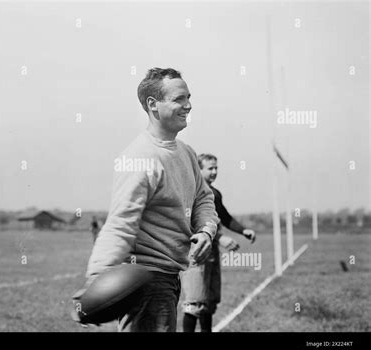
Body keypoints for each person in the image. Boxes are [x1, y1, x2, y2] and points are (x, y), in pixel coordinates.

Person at [73, 68, 219, 332]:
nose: (188, 105)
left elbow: (203, 199)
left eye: (188, 97)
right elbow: (120, 224)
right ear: (153, 104)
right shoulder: (140, 158)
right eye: (179, 99)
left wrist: (206, 231)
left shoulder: (186, 153)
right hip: (146, 283)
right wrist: (97, 279)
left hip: (170, 279)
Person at [182, 154, 256, 332]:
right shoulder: (192, 192)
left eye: (216, 168)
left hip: (212, 252)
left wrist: (242, 230)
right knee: (195, 302)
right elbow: (192, 223)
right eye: (210, 168)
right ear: (198, 170)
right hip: (196, 252)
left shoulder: (214, 193)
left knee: (209, 301)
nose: (214, 171)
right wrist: (219, 238)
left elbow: (225, 217)